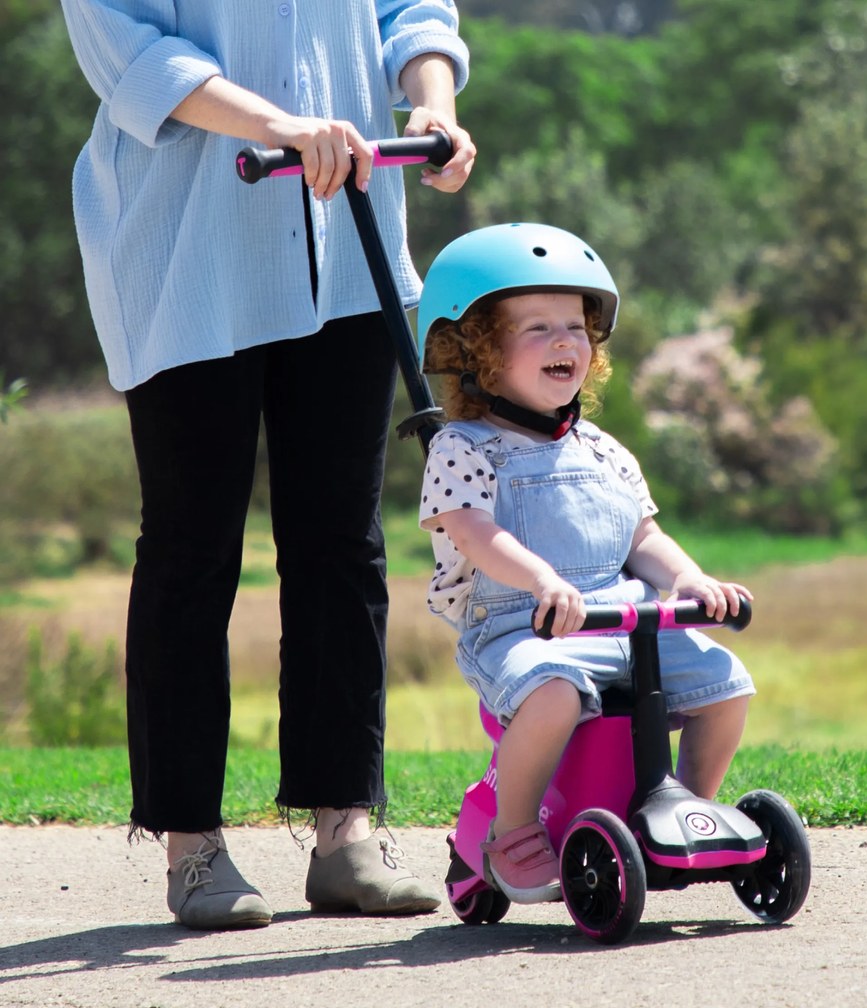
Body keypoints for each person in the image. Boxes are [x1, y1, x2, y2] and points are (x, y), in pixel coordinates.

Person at [59, 1, 476, 930]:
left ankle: (345, 835)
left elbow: (413, 11)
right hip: (187, 254)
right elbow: (130, 54)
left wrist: (432, 104)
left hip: (349, 242)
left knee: (342, 545)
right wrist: (281, 127)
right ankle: (191, 844)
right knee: (191, 549)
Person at [416, 223, 755, 904]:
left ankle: (683, 810)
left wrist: (687, 578)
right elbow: (476, 535)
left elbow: (643, 537)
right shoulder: (462, 446)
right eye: (537, 328)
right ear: (480, 353)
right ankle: (511, 832)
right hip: (520, 627)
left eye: (575, 325)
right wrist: (543, 580)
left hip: (620, 620)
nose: (564, 340)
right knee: (556, 689)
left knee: (726, 681)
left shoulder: (601, 448)